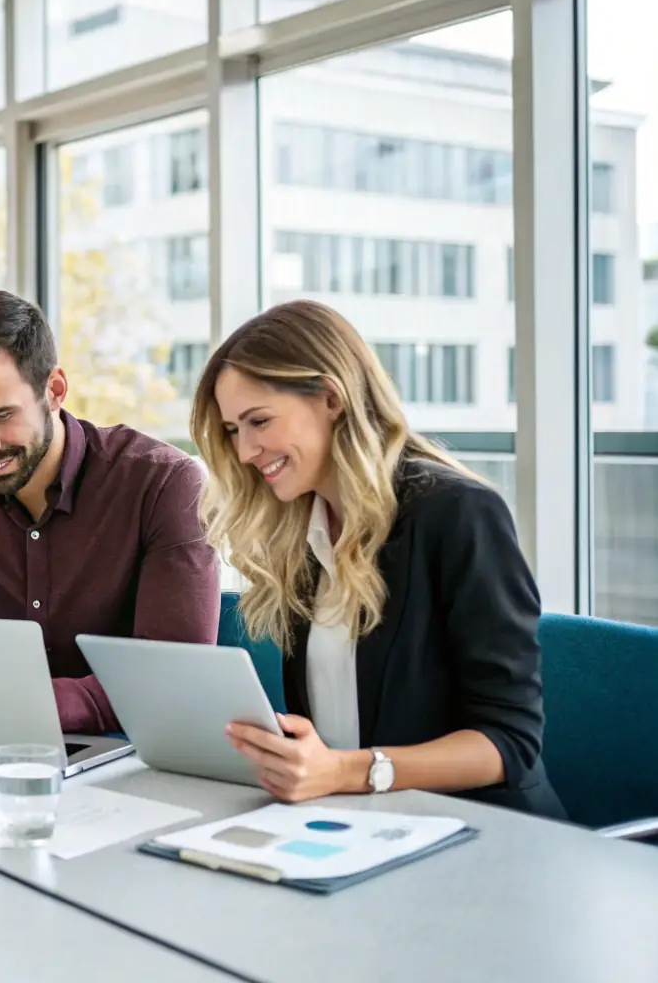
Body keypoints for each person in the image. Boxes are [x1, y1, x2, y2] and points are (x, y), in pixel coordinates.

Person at [196, 300, 565, 818]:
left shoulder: (460, 514)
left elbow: (509, 744)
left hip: (481, 834)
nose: (244, 451)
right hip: (359, 827)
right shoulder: (303, 531)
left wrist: (347, 771)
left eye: (259, 421)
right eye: (234, 429)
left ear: (331, 398)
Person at [0, 291, 221, 734]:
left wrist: (26, 702)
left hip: (130, 754)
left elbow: (173, 675)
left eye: (0, 415)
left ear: (55, 391)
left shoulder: (163, 484)